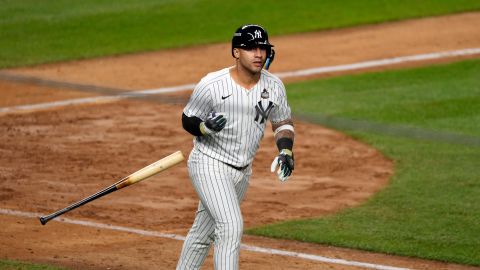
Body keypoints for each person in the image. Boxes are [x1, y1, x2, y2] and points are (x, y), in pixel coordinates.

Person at [177, 24, 295, 270]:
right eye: (251, 48)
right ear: (236, 52)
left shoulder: (274, 86)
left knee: (203, 233)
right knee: (230, 226)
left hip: (242, 171)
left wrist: (285, 150)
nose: (258, 54)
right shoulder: (212, 84)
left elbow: (282, 122)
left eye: (262, 48)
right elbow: (188, 119)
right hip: (209, 163)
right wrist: (205, 127)